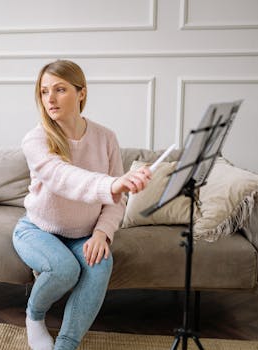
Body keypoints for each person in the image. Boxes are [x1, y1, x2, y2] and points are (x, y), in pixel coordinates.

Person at [12, 60, 152, 350]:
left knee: (101, 265)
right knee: (64, 270)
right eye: (43, 91)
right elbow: (63, 177)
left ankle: (66, 345)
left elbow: (116, 202)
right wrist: (112, 185)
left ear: (81, 93)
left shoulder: (106, 137)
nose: (49, 98)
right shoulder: (36, 139)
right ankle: (34, 316)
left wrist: (102, 233)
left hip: (85, 233)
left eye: (60, 89)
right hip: (38, 230)